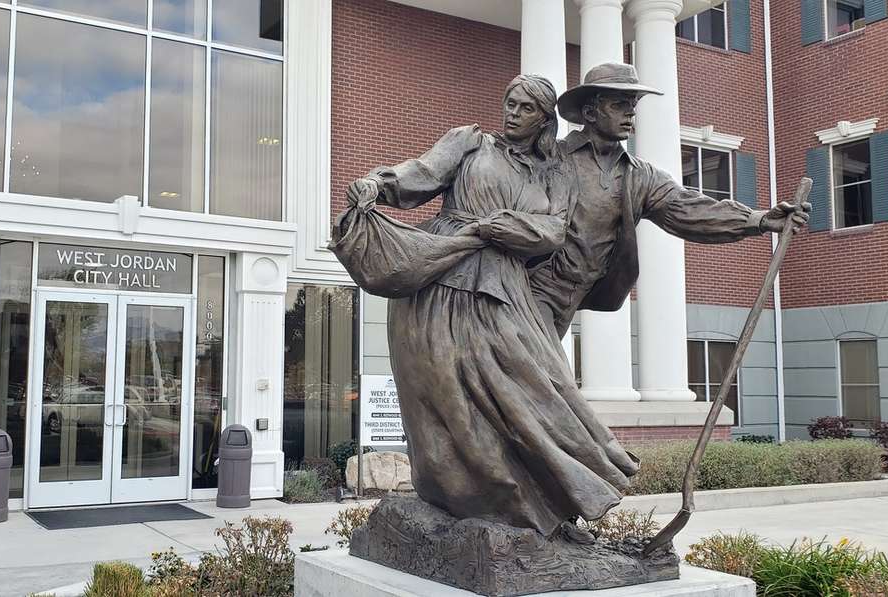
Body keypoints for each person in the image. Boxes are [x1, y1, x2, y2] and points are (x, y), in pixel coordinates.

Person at [337, 75, 638, 539]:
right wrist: (376, 184)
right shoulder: (471, 143)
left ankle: (553, 499)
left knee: (536, 381)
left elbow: (553, 231)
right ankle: (468, 503)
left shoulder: (554, 173)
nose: (512, 113)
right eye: (510, 103)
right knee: (447, 395)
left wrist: (503, 228)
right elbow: (421, 174)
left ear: (545, 119)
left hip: (504, 285)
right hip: (441, 279)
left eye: (525, 107)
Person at [531, 63, 811, 336]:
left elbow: (689, 209)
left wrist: (759, 219)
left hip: (573, 294)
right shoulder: (550, 157)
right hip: (531, 286)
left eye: (632, 105)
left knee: (538, 366)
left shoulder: (640, 176)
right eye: (619, 105)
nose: (630, 113)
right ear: (590, 113)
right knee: (541, 367)